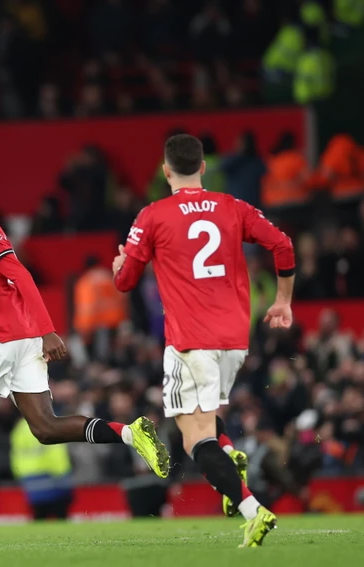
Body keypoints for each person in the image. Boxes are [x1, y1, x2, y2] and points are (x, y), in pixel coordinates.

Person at [0, 159, 170, 548]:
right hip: (14, 338)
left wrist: (48, 329)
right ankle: (129, 432)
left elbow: (18, 274)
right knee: (45, 428)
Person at [112, 134, 296, 548]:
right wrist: (283, 301)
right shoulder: (232, 206)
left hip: (190, 342)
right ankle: (230, 457)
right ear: (203, 167)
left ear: (166, 171)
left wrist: (120, 263)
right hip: (234, 340)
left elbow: (124, 282)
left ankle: (253, 510)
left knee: (194, 438)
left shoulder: (153, 215)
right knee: (205, 421)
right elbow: (282, 244)